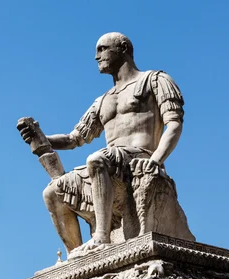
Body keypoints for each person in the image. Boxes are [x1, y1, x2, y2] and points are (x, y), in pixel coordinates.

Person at [18, 32, 184, 257]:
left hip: (139, 157)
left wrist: (156, 160)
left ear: (123, 48)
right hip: (109, 164)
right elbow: (73, 138)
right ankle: (75, 255)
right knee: (52, 192)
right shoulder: (102, 101)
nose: (96, 57)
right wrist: (40, 137)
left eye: (102, 49)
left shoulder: (154, 80)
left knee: (97, 159)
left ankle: (102, 238)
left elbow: (174, 123)